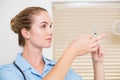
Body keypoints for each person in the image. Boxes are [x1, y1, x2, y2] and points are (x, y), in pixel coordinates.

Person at [0, 6, 106, 80]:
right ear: (26, 33)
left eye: (50, 26)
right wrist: (71, 52)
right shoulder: (7, 72)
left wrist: (98, 63)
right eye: (43, 26)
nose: (50, 31)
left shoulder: (59, 67)